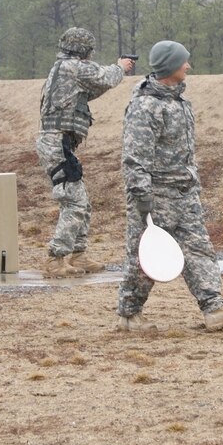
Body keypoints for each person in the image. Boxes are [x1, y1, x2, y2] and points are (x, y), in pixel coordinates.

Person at [117, 40, 223, 332]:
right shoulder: (145, 106)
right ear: (170, 66)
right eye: (183, 62)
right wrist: (143, 199)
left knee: (199, 249)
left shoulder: (178, 101)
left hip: (184, 192)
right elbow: (135, 158)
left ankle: (214, 308)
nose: (188, 66)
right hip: (155, 196)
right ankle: (129, 315)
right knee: (144, 258)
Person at [36, 27, 135, 278]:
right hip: (58, 142)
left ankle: (78, 254)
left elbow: (90, 91)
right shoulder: (72, 67)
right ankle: (56, 258)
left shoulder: (63, 69)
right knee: (75, 201)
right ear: (83, 49)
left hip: (60, 142)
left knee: (82, 201)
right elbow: (104, 78)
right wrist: (121, 67)